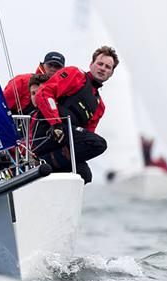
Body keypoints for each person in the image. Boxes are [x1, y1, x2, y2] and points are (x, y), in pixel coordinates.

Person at [32, 46, 119, 183]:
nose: (102, 68)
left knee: (84, 174)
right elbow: (44, 93)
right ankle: (39, 163)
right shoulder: (75, 75)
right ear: (91, 64)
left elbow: (86, 137)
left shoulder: (100, 106)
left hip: (65, 139)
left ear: (111, 73)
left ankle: (47, 167)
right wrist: (56, 124)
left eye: (108, 67)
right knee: (99, 143)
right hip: (48, 131)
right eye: (100, 64)